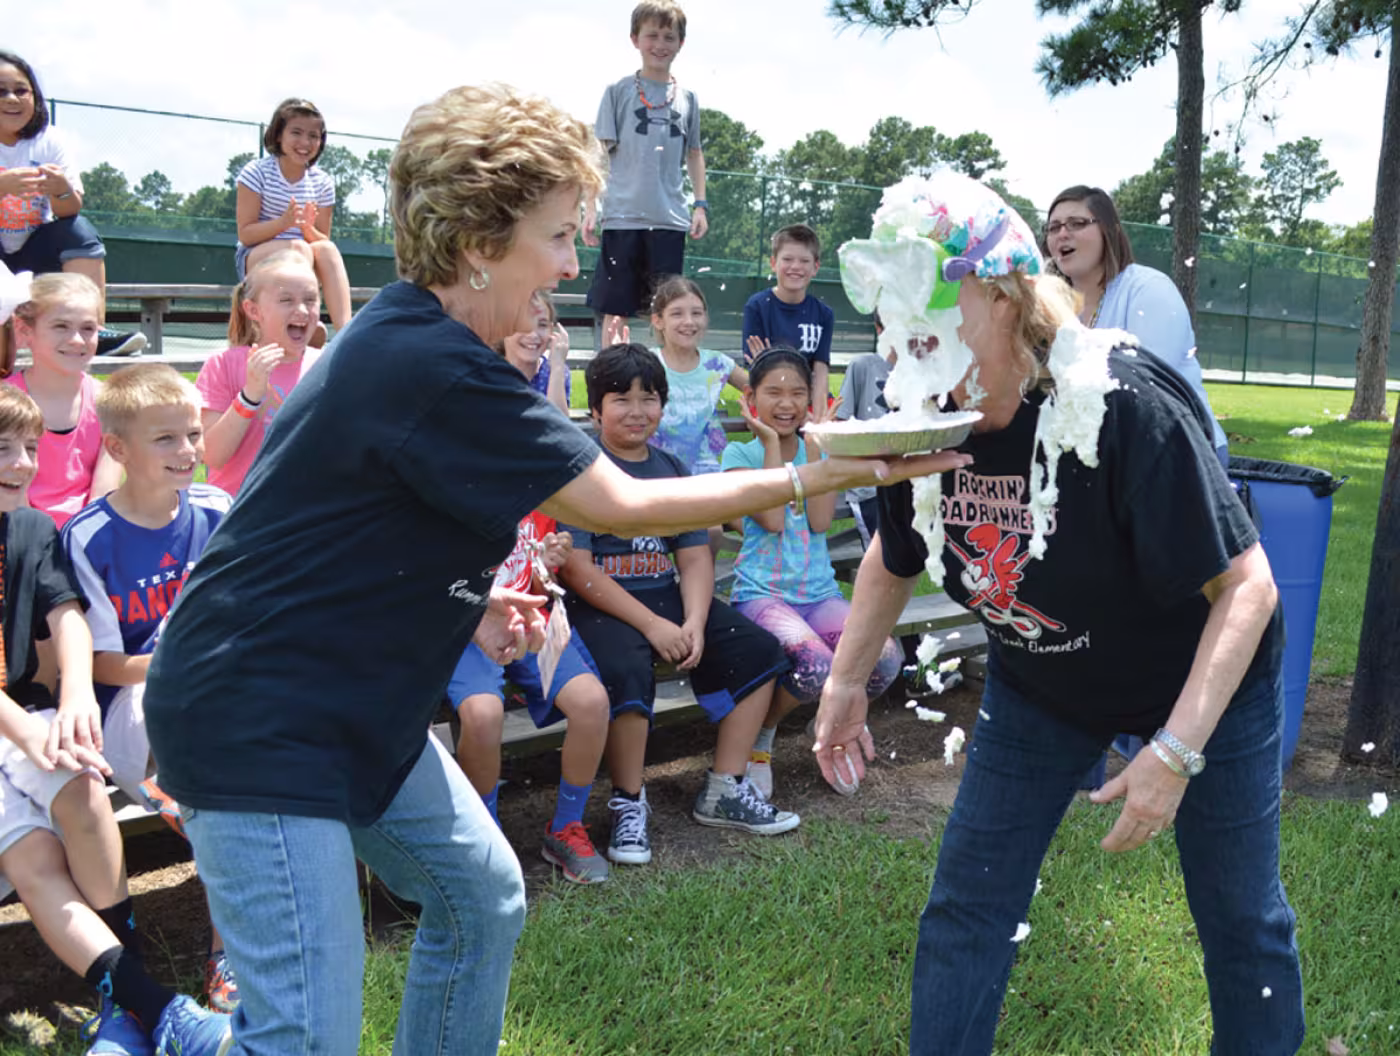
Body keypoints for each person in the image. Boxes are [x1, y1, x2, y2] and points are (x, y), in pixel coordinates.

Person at [140, 83, 966, 1055]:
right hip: (258, 719)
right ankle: (165, 1028)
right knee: (304, 1042)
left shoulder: (418, 345)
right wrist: (813, 471)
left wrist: (468, 593)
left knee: (480, 902)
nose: (575, 264)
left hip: (353, 708)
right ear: (480, 244)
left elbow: (341, 519)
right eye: (557, 236)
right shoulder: (431, 360)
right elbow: (617, 503)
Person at [812, 173, 1302, 1055]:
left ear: (1002, 300)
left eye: (929, 306)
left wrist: (1175, 751)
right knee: (969, 900)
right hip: (1041, 687)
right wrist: (847, 681)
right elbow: (897, 552)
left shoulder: (1120, 403)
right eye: (889, 313)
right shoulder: (923, 417)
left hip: (1198, 680)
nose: (904, 338)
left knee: (1239, 914)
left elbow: (1249, 587)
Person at [0, 383, 232, 1056]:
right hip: (15, 724)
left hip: (29, 716)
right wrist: (28, 730)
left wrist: (72, 695)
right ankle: (145, 1008)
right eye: (4, 450)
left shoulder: (30, 526)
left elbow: (64, 614)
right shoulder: (87, 530)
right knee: (35, 861)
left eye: (30, 449)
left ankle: (131, 1005)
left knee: (80, 790)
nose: (20, 464)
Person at [559, 343, 797, 864]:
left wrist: (692, 620)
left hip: (667, 598)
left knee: (757, 649)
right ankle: (627, 802)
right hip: (602, 604)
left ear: (663, 407)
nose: (638, 411)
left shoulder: (670, 467)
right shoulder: (582, 467)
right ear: (595, 408)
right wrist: (653, 627)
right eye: (621, 399)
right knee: (626, 666)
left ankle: (723, 787)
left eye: (650, 399)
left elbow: (693, 557)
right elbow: (578, 568)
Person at [61, 362, 239, 1013]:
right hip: (132, 708)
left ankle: (232, 948)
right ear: (116, 449)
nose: (188, 451)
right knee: (222, 806)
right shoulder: (87, 538)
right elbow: (103, 665)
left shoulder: (215, 510)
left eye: (192, 434)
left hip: (212, 693)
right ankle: (230, 956)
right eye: (166, 439)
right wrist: (182, 666)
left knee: (237, 789)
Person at [723, 346, 900, 799]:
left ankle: (832, 724)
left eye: (797, 393)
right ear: (751, 400)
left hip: (818, 595)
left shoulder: (815, 450)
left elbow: (820, 521)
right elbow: (773, 521)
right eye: (774, 393)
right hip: (762, 596)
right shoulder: (739, 455)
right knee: (816, 667)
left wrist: (818, 445)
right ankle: (760, 742)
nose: (786, 404)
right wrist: (769, 446)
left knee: (884, 660)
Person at [448, 510, 613, 884]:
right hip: (463, 625)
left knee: (592, 702)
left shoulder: (537, 498)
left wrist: (546, 566)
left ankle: (566, 827)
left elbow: (535, 583)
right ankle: (485, 837)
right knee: (483, 714)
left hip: (529, 619)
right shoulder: (454, 487)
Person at [1042, 185, 1228, 463]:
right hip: (1102, 456)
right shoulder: (1052, 308)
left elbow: (1145, 391)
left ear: (1109, 230)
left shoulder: (1149, 290)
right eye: (1053, 227)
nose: (1062, 234)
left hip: (1181, 454)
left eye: (1077, 223)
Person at [0, 51, 145, 361]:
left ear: (35, 97)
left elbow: (69, 210)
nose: (12, 99)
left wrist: (61, 190)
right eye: (1, 91)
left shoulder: (49, 140)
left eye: (21, 90)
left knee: (79, 231)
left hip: (35, 255)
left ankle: (93, 330)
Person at [582, 1, 707, 343]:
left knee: (669, 310)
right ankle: (609, 379)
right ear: (635, 39)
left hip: (669, 222)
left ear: (681, 43)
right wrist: (590, 208)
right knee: (615, 308)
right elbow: (598, 155)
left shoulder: (688, 98)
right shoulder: (618, 91)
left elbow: (694, 154)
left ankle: (664, 382)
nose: (660, 44)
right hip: (623, 218)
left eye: (669, 36)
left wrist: (700, 205)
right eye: (652, 35)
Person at [195, 251, 325, 495]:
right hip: (238, 512)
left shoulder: (327, 366)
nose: (302, 310)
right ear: (254, 311)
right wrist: (250, 396)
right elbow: (212, 455)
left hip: (304, 512)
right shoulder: (223, 365)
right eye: (286, 300)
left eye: (310, 299)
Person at [3, 273, 123, 528]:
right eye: (61, 326)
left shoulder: (108, 402)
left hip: (87, 535)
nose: (77, 340)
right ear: (25, 330)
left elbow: (104, 494)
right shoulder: (5, 400)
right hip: (17, 533)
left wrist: (81, 542)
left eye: (88, 328)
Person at [233, 97, 351, 331]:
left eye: (313, 136)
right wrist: (283, 223)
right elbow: (246, 235)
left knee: (326, 250)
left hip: (303, 259)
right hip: (254, 257)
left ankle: (346, 334)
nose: (305, 142)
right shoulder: (256, 172)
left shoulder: (323, 182)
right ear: (279, 135)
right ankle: (297, 325)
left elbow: (322, 241)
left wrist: (307, 228)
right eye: (296, 133)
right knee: (299, 248)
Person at [647, 275, 746, 475]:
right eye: (677, 314)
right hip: (657, 470)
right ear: (658, 320)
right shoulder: (648, 362)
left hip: (709, 471)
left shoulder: (717, 364)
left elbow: (760, 391)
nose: (689, 322)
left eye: (697, 313)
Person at [742, 224, 834, 405]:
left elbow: (820, 369)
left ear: (815, 267)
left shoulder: (824, 314)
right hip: (772, 397)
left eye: (804, 261)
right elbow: (758, 369)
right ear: (773, 263)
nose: (796, 267)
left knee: (832, 417)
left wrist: (817, 415)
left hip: (808, 397)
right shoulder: (757, 307)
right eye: (788, 259)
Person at [836, 310, 894, 547]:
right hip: (871, 488)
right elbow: (841, 424)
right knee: (881, 558)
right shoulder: (863, 366)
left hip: (912, 482)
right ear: (879, 329)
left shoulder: (929, 372)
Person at [508, 289, 571, 412]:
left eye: (542, 325)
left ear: (551, 331)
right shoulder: (488, 371)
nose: (533, 335)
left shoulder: (552, 373)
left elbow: (558, 427)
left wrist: (557, 368)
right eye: (522, 324)